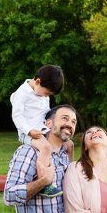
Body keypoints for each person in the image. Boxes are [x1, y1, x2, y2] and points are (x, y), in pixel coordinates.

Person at [10, 65, 74, 198]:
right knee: (45, 147)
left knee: (69, 144)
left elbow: (45, 112)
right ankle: (44, 184)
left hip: (42, 129)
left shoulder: (41, 92)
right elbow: (17, 117)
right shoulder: (21, 94)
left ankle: (69, 175)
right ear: (37, 81)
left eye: (49, 94)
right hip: (28, 133)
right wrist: (29, 131)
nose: (46, 96)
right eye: (46, 93)